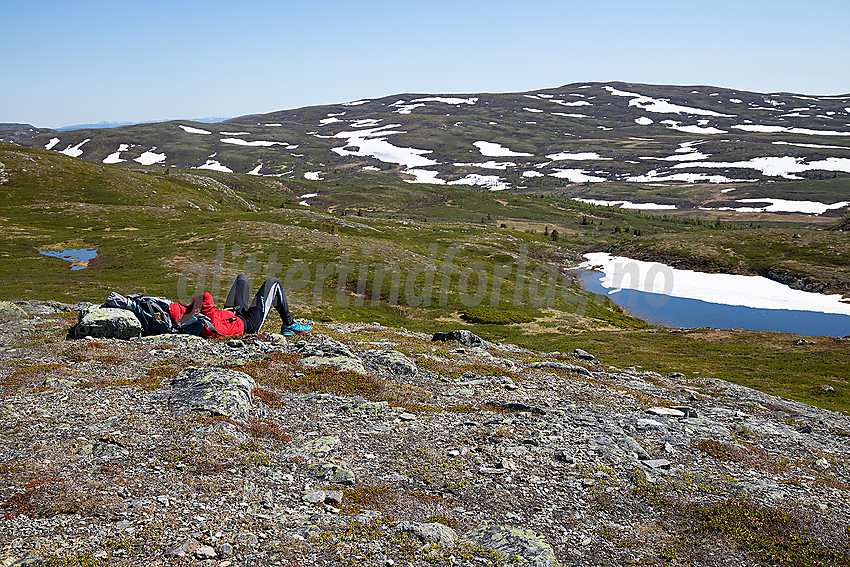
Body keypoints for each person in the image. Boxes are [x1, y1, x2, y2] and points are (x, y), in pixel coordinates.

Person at [168, 275, 312, 337]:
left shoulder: (184, 320)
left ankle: (289, 324)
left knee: (241, 279)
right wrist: (193, 305)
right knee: (273, 283)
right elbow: (206, 297)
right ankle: (289, 324)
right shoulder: (192, 321)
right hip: (247, 325)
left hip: (231, 316)